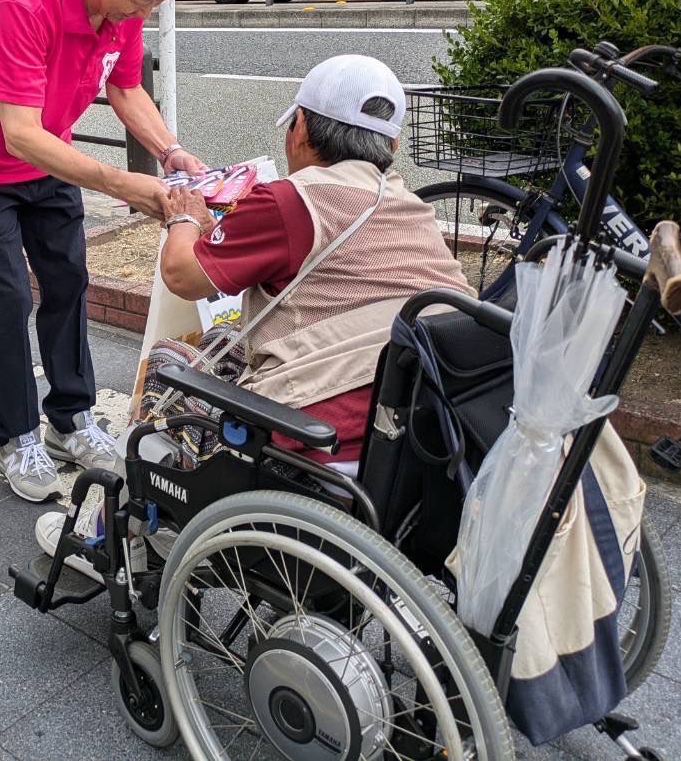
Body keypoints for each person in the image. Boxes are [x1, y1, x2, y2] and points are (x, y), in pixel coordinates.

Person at [34, 55, 475, 575]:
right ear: (392, 145)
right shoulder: (410, 207)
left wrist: (183, 216)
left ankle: (112, 539)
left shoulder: (291, 201)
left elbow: (182, 274)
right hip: (421, 449)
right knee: (226, 343)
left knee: (171, 362)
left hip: (318, 447)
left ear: (302, 128)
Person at [0, 0, 206, 502]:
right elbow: (17, 133)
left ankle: (71, 420)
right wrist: (126, 186)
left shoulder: (121, 6)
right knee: (4, 298)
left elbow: (124, 86)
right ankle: (15, 435)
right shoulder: (25, 3)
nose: (146, 12)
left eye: (158, 2)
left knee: (68, 281)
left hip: (48, 155)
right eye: (144, 0)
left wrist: (169, 150)